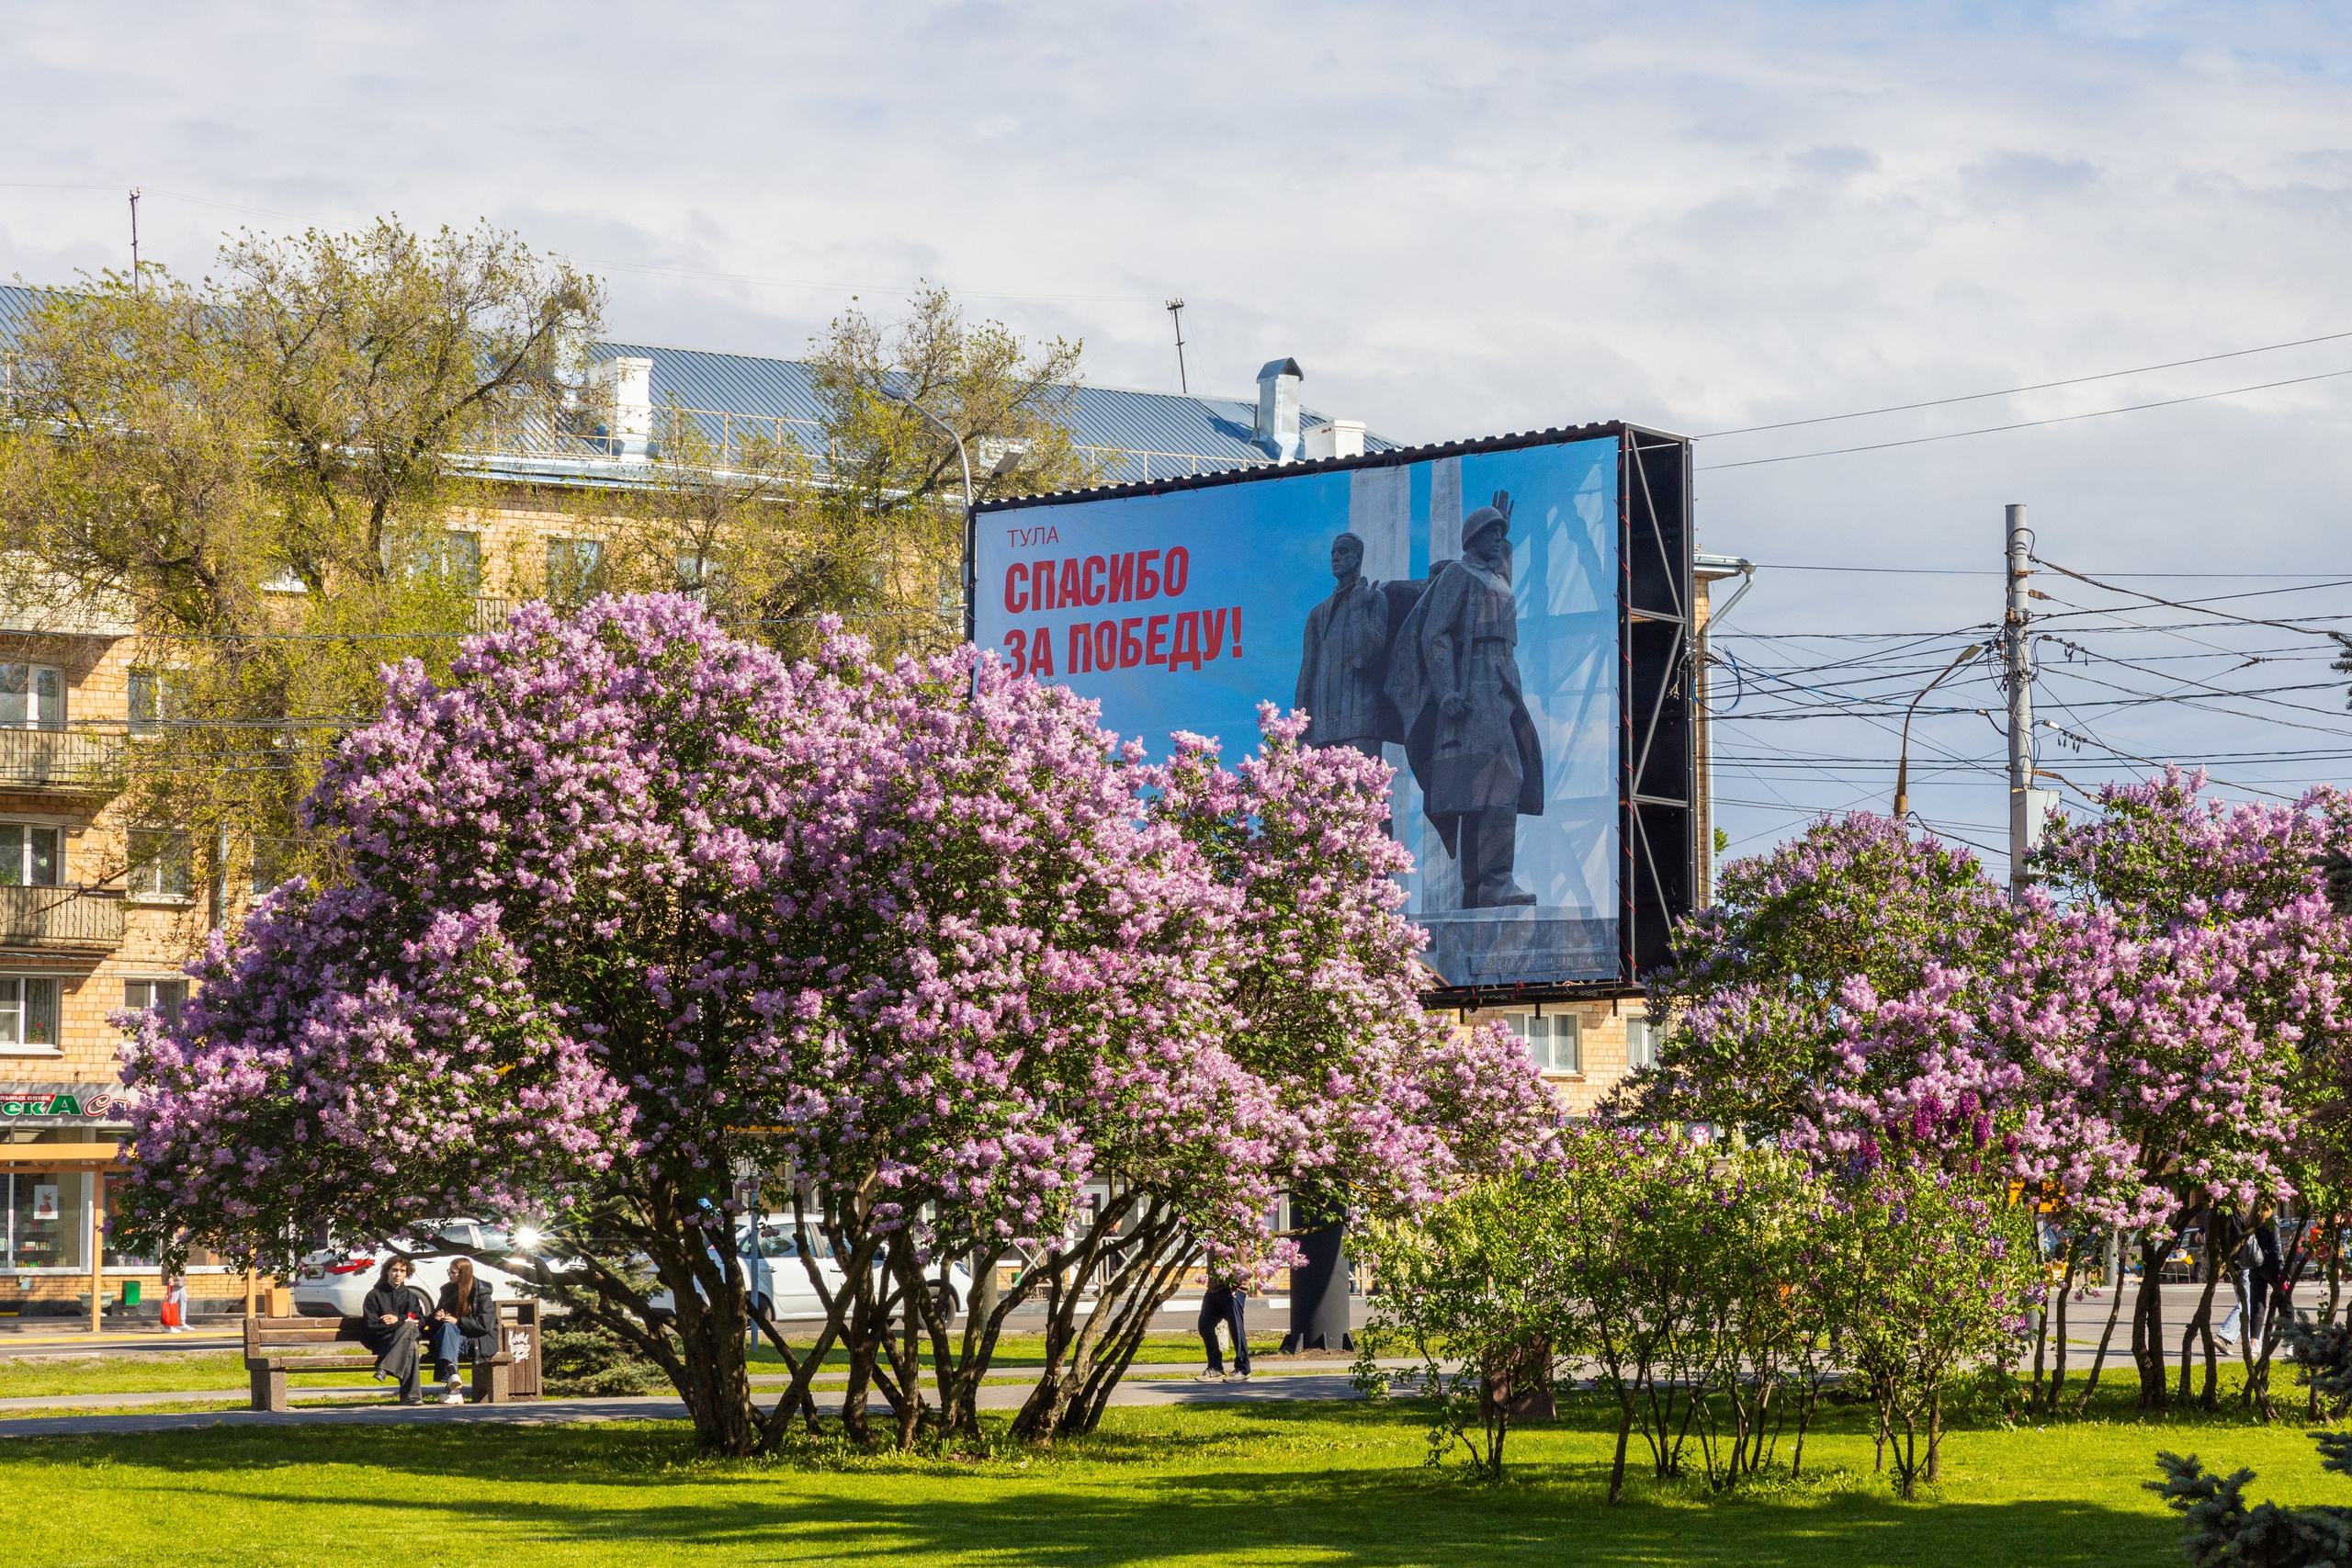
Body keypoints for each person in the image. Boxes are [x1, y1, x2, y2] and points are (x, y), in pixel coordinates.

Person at [1385, 491, 1545, 908]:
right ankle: (1494, 881)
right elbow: (1435, 633)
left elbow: (1501, 579)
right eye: (1491, 533)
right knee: (1500, 781)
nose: (1498, 539)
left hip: (1501, 679)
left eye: (1501, 534)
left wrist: (1505, 534)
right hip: (1475, 684)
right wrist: (1447, 690)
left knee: (1488, 786)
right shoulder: (1459, 574)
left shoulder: (1494, 576)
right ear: (1472, 538)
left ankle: (1478, 889)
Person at [359, 1258, 433, 1405]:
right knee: (410, 1335)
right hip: (383, 1342)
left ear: (406, 1274)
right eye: (394, 1270)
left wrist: (398, 1320)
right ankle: (411, 1396)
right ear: (387, 1271)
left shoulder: (411, 1297)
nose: (398, 1274)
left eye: (402, 1271)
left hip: (405, 1341)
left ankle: (385, 1368)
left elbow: (419, 1321)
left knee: (411, 1341)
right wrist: (404, 1322)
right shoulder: (374, 1295)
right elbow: (371, 1326)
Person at [429, 1258, 497, 1405]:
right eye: (449, 1271)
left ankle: (452, 1376)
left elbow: (485, 1324)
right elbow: (435, 1322)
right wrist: (438, 1317)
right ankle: (453, 1382)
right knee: (447, 1328)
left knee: (448, 1329)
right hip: (453, 1340)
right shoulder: (448, 1291)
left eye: (452, 1272)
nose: (449, 1275)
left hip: (475, 1341)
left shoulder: (481, 1293)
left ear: (463, 1273)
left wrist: (458, 1321)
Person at [1194, 1272, 1250, 1383]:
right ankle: (1215, 1367)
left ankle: (1243, 1370)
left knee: (1236, 1329)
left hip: (1232, 1290)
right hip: (1213, 1290)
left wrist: (1236, 1285)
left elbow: (1244, 1267)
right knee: (1205, 1325)